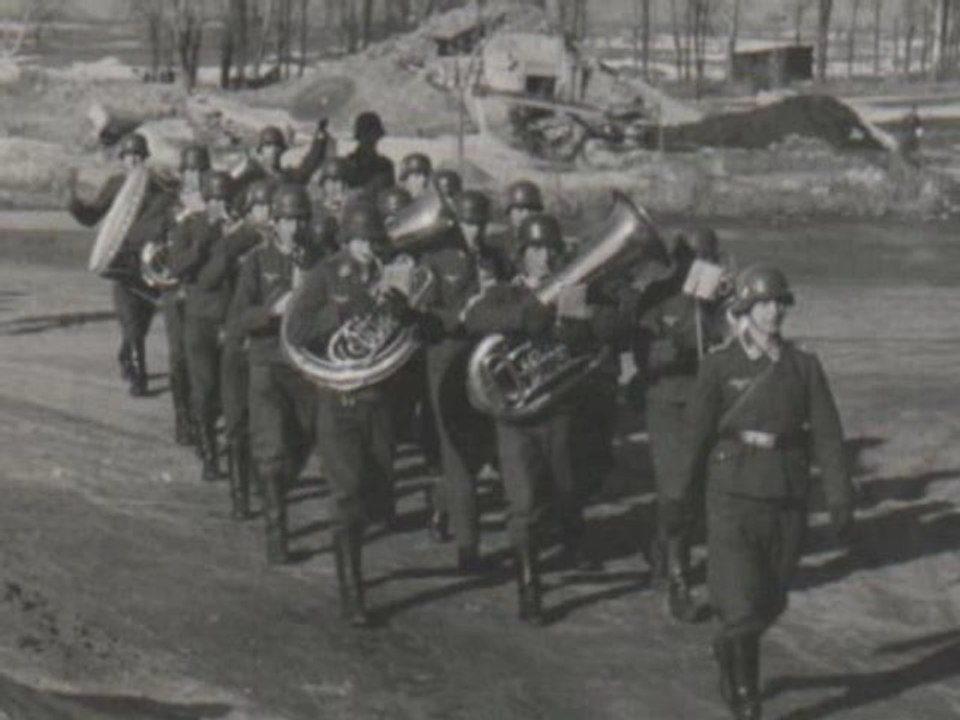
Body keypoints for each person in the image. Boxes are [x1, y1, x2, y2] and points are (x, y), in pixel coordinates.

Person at [679, 263, 853, 720]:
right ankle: (745, 693)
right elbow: (696, 436)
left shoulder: (804, 366)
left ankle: (727, 644)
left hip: (787, 493)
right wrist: (679, 503)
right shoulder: (719, 366)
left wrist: (839, 499)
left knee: (772, 598)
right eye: (764, 303)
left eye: (780, 303)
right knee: (740, 599)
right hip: (731, 494)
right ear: (746, 310)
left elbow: (828, 437)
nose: (774, 311)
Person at [462, 213, 625, 623]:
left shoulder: (577, 290)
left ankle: (571, 537)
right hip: (515, 417)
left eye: (549, 249)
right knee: (523, 502)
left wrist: (583, 329)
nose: (542, 256)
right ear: (520, 255)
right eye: (534, 249)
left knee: (566, 488)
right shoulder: (505, 292)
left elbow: (613, 325)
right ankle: (529, 584)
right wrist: (523, 316)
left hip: (561, 409)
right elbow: (475, 318)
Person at [284, 204, 404, 627]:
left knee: (376, 490)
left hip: (379, 400)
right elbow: (296, 332)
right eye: (362, 242)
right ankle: (352, 593)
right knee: (347, 494)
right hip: (338, 399)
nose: (370, 250)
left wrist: (402, 308)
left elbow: (406, 331)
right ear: (348, 240)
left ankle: (353, 560)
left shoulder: (389, 273)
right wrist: (343, 311)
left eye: (374, 243)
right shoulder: (324, 275)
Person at [634, 228, 726, 622]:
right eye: (692, 259)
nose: (699, 268)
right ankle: (678, 577)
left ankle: (663, 546)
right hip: (668, 403)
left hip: (711, 403)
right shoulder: (658, 297)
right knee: (675, 488)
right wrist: (678, 343)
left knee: (700, 488)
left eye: (707, 260)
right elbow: (643, 358)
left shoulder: (724, 301)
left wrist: (723, 312)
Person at [228, 184, 322, 563]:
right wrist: (274, 310)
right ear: (275, 224)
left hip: (304, 367)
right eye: (286, 220)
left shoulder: (317, 261)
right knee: (272, 448)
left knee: (302, 443)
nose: (294, 228)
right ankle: (276, 535)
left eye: (300, 220)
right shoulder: (256, 261)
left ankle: (268, 488)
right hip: (266, 363)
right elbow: (238, 319)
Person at [417, 189, 499, 570]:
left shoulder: (495, 259)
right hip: (447, 360)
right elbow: (427, 317)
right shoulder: (436, 260)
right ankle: (470, 547)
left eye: (481, 223)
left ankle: (441, 501)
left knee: (482, 448)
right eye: (469, 223)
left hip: (485, 362)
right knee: (458, 452)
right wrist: (462, 316)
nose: (476, 231)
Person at [67, 131, 177, 396]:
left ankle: (126, 353)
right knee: (132, 322)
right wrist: (72, 201)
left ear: (145, 157)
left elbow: (171, 215)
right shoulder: (115, 184)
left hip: (149, 265)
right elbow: (92, 216)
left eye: (138, 156)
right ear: (122, 159)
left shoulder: (158, 185)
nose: (134, 161)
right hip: (121, 264)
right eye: (129, 156)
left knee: (142, 323)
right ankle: (140, 378)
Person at [206, 180, 272, 518]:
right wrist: (240, 239)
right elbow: (211, 280)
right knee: (236, 419)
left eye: (269, 208)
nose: (266, 215)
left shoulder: (283, 248)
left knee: (266, 421)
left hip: (266, 340)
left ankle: (264, 485)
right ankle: (239, 495)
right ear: (247, 213)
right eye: (259, 209)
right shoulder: (233, 243)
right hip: (235, 336)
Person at [168, 170, 236, 482]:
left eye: (224, 199)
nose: (219, 205)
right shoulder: (189, 228)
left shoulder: (237, 230)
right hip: (199, 320)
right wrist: (201, 243)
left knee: (227, 392)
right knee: (205, 388)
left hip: (230, 319)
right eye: (214, 199)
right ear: (205, 200)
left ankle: (211, 435)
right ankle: (209, 455)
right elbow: (176, 266)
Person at [161, 144, 211, 446]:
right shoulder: (169, 205)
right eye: (190, 170)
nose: (194, 176)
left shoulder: (216, 200)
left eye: (200, 170)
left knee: (205, 360)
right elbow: (148, 235)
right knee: (179, 357)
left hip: (206, 289)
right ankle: (183, 415)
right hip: (176, 289)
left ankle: (201, 412)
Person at [232, 120, 331, 211]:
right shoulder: (251, 175)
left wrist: (319, 140)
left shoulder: (286, 177)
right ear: (261, 150)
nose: (273, 151)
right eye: (268, 146)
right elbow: (233, 196)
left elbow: (308, 166)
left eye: (277, 146)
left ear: (282, 150)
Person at [342, 111, 395, 197]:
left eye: (373, 135)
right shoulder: (349, 164)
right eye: (367, 135)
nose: (371, 140)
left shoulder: (385, 165)